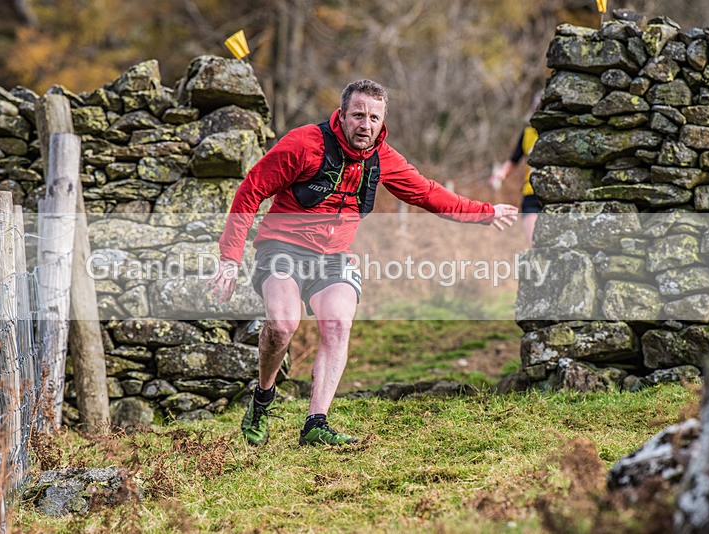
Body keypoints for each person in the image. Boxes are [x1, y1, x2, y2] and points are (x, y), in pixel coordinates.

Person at [208, 79, 517, 447]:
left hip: (334, 257)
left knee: (338, 324)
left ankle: (315, 424)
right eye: (358, 115)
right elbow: (251, 190)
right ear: (342, 114)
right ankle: (263, 399)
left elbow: (428, 193)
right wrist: (229, 258)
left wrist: (485, 212)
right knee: (282, 326)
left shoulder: (383, 158)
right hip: (283, 249)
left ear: (382, 120)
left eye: (373, 117)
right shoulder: (304, 143)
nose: (365, 125)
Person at [487, 91, 543, 246]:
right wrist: (501, 174)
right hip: (531, 195)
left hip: (554, 196)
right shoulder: (527, 133)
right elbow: (513, 160)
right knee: (535, 244)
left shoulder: (557, 133)